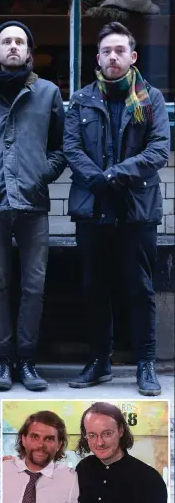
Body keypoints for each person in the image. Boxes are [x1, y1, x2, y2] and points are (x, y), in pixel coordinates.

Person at [0, 22, 66, 392]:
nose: (13, 46)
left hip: (34, 204)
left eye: (20, 41)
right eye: (6, 41)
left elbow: (60, 148)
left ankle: (28, 361)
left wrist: (41, 175)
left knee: (34, 285)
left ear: (29, 52)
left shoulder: (48, 93)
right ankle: (3, 361)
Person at [65, 22, 170, 396]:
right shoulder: (81, 100)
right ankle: (99, 361)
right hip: (93, 208)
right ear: (97, 58)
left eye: (120, 51)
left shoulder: (149, 99)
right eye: (106, 51)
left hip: (136, 209)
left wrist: (114, 174)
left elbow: (157, 150)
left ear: (132, 57)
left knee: (139, 288)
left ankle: (145, 364)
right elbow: (72, 149)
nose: (113, 57)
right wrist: (99, 178)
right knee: (96, 287)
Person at [73, 402, 168, 503]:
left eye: (107, 433)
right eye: (92, 435)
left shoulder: (149, 480)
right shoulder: (82, 468)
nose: (99, 442)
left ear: (121, 431)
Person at [2, 411, 78, 503]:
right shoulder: (5, 470)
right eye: (34, 437)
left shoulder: (72, 479)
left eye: (49, 439)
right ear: (24, 439)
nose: (40, 445)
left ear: (59, 444)